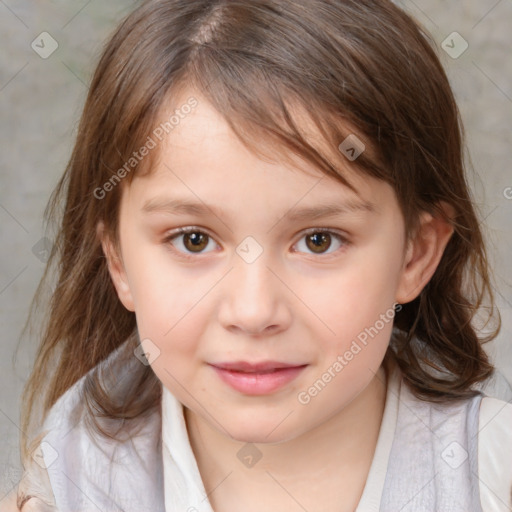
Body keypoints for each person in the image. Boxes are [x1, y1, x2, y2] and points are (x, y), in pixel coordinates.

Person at [4, 0, 512, 510]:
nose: (253, 312)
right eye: (193, 240)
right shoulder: (63, 489)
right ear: (119, 260)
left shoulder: (493, 474)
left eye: (319, 240)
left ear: (414, 255)